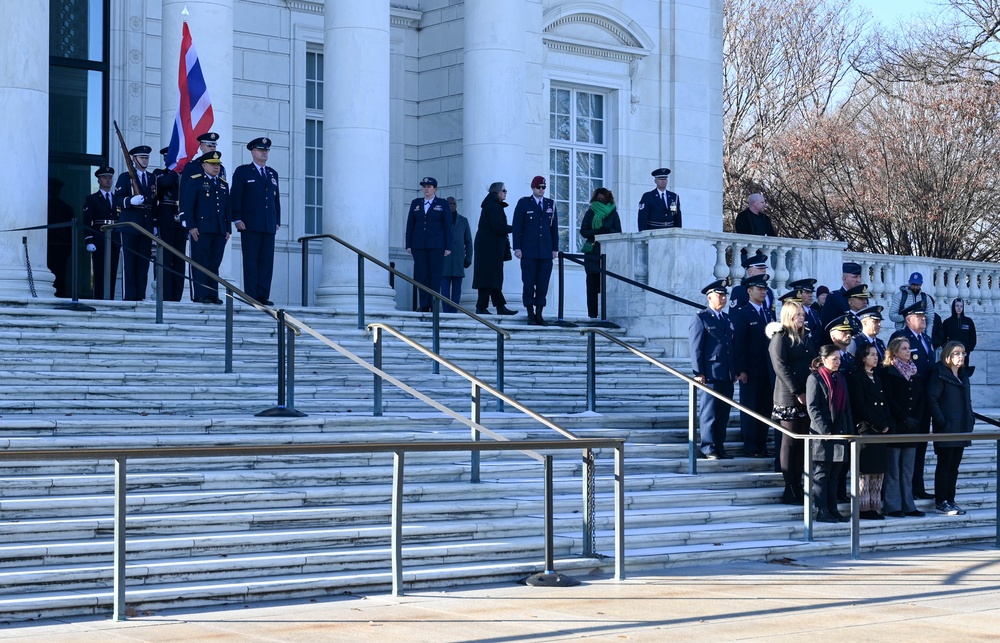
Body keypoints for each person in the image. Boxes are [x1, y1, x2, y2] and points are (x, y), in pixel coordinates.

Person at [768, 300, 816, 504]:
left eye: (803, 314)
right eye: (797, 315)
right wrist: (797, 391)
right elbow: (781, 367)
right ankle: (790, 486)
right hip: (789, 396)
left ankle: (800, 483)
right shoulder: (780, 337)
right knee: (790, 442)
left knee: (803, 441)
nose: (801, 318)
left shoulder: (806, 336)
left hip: (807, 393)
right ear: (788, 316)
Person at [889, 301, 935, 500]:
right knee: (904, 449)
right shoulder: (901, 338)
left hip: (923, 403)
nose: (924, 318)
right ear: (908, 319)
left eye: (924, 316)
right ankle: (903, 491)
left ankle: (918, 485)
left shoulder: (926, 338)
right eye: (919, 316)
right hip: (906, 403)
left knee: (921, 445)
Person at [689, 279, 736, 460]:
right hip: (710, 374)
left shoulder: (726, 319)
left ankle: (719, 445)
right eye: (719, 295)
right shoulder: (701, 318)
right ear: (710, 297)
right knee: (709, 412)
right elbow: (696, 348)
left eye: (724, 295)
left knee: (723, 412)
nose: (723, 298)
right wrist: (698, 372)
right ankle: (708, 447)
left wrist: (734, 370)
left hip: (726, 373)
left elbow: (730, 347)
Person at [231, 137, 281, 306]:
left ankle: (263, 294)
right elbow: (236, 196)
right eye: (260, 150)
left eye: (266, 150)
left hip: (268, 224)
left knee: (266, 262)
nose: (264, 152)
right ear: (253, 152)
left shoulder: (272, 173)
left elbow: (276, 200)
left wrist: (277, 219)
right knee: (251, 260)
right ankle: (251, 295)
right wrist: (236, 218)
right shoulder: (243, 172)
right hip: (250, 223)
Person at [806, 345, 852, 523]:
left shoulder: (840, 378)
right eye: (834, 359)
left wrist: (848, 431)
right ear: (824, 360)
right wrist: (825, 430)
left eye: (839, 359)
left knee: (835, 474)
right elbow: (813, 407)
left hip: (840, 431)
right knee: (822, 474)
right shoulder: (815, 378)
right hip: (823, 433)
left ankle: (833, 508)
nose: (838, 362)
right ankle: (821, 509)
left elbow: (846, 407)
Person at [928, 341, 974, 516]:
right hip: (947, 427)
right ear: (947, 355)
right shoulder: (939, 373)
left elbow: (967, 401)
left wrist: (970, 419)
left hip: (961, 427)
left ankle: (951, 499)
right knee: (945, 465)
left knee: (954, 467)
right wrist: (941, 421)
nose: (961, 357)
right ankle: (941, 501)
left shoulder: (963, 375)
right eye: (957, 353)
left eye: (963, 353)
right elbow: (932, 398)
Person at [179, 151, 231, 304]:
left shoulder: (223, 184)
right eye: (212, 164)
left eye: (217, 164)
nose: (216, 167)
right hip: (201, 229)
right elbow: (188, 205)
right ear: (204, 165)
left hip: (219, 229)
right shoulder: (196, 181)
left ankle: (213, 293)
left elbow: (227, 208)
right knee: (201, 261)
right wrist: (191, 226)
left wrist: (228, 228)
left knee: (214, 262)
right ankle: (200, 293)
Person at [882, 336, 926, 518]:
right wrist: (903, 417)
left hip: (912, 427)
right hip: (896, 426)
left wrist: (915, 418)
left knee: (907, 469)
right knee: (893, 470)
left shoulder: (915, 372)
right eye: (904, 349)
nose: (908, 351)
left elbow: (920, 399)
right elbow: (890, 399)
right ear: (894, 352)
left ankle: (908, 504)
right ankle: (893, 505)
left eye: (909, 348)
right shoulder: (888, 372)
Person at [732, 273, 775, 458]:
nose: (763, 292)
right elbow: (738, 344)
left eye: (765, 289)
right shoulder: (742, 313)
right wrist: (740, 369)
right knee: (751, 408)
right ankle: (750, 445)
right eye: (759, 289)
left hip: (767, 370)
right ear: (749, 291)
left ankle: (761, 444)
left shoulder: (768, 313)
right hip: (750, 370)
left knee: (765, 408)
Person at [849, 344, 892, 520]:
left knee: (878, 469)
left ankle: (874, 506)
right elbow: (861, 405)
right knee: (865, 470)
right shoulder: (857, 377)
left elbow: (884, 401)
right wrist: (877, 423)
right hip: (866, 429)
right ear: (863, 357)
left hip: (880, 429)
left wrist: (886, 422)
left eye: (877, 354)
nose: (876, 357)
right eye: (871, 355)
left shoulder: (877, 377)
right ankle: (863, 508)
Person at [512, 176, 559, 325]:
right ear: (533, 188)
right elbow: (517, 226)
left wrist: (554, 248)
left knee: (542, 283)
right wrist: (517, 247)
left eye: (543, 187)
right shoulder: (524, 203)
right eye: (538, 187)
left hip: (545, 250)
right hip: (529, 250)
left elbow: (554, 228)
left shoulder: (550, 204)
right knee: (528, 282)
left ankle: (539, 312)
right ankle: (530, 313)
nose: (541, 190)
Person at [113, 144, 157, 301]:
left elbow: (154, 202)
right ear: (134, 159)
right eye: (142, 158)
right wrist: (130, 201)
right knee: (130, 263)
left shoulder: (152, 178)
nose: (145, 160)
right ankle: (129, 297)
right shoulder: (125, 177)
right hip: (130, 225)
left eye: (146, 158)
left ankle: (140, 296)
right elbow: (116, 198)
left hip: (146, 225)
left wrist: (155, 224)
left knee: (143, 264)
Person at [404, 176, 452, 312]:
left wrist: (448, 246)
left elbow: (448, 226)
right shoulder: (416, 203)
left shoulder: (442, 204)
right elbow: (410, 224)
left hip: (437, 245)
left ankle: (434, 303)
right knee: (421, 274)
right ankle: (424, 304)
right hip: (419, 244)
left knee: (435, 274)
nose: (426, 189)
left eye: (429, 187)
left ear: (435, 189)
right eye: (424, 186)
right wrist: (409, 244)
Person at [472, 182, 516, 316]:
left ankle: (498, 307)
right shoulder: (494, 207)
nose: (505, 192)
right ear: (496, 192)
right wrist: (515, 228)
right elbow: (498, 227)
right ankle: (482, 307)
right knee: (490, 277)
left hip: (488, 247)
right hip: (490, 248)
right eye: (504, 190)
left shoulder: (491, 206)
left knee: (491, 277)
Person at [579, 187, 622, 320]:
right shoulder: (590, 212)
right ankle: (593, 315)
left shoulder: (613, 213)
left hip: (609, 255)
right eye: (599, 199)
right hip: (592, 253)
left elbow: (618, 231)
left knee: (606, 286)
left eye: (603, 199)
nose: (601, 201)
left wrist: (607, 230)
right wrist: (597, 233)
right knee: (592, 286)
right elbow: (584, 231)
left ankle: (606, 315)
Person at [152, 147, 186, 302]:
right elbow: (163, 185)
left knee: (179, 258)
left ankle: (177, 295)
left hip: (181, 217)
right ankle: (166, 295)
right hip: (165, 216)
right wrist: (175, 170)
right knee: (166, 256)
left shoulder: (184, 174)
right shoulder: (159, 173)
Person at [83, 166, 119, 300]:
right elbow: (87, 221)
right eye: (105, 177)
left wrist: (120, 241)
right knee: (99, 271)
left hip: (114, 239)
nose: (108, 180)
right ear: (98, 180)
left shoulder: (116, 199)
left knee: (112, 271)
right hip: (99, 237)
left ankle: (110, 298)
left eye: (110, 178)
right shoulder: (92, 199)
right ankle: (99, 299)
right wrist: (89, 240)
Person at [440, 197, 472, 314]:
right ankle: (446, 311)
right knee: (444, 289)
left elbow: (468, 241)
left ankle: (454, 311)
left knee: (457, 289)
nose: (452, 206)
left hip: (458, 259)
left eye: (453, 204)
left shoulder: (463, 221)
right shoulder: (440, 220)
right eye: (449, 204)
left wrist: (468, 258)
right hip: (444, 260)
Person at [889, 271, 935, 339]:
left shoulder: (926, 298)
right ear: (909, 282)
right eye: (913, 284)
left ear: (921, 284)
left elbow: (930, 320)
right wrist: (907, 317)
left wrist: (928, 337)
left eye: (917, 285)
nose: (915, 287)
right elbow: (892, 316)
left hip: (920, 335)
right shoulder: (899, 296)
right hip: (903, 334)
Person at [820, 262, 863, 331]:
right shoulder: (834, 298)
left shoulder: (863, 298)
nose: (859, 281)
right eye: (855, 277)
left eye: (860, 277)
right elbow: (826, 325)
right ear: (844, 279)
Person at [942, 299, 977, 369]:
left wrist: (967, 350)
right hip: (952, 354)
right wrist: (949, 349)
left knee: (963, 372)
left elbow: (972, 337)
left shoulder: (968, 321)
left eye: (961, 306)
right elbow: (943, 338)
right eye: (957, 306)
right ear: (953, 307)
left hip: (964, 353)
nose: (959, 308)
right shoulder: (947, 322)